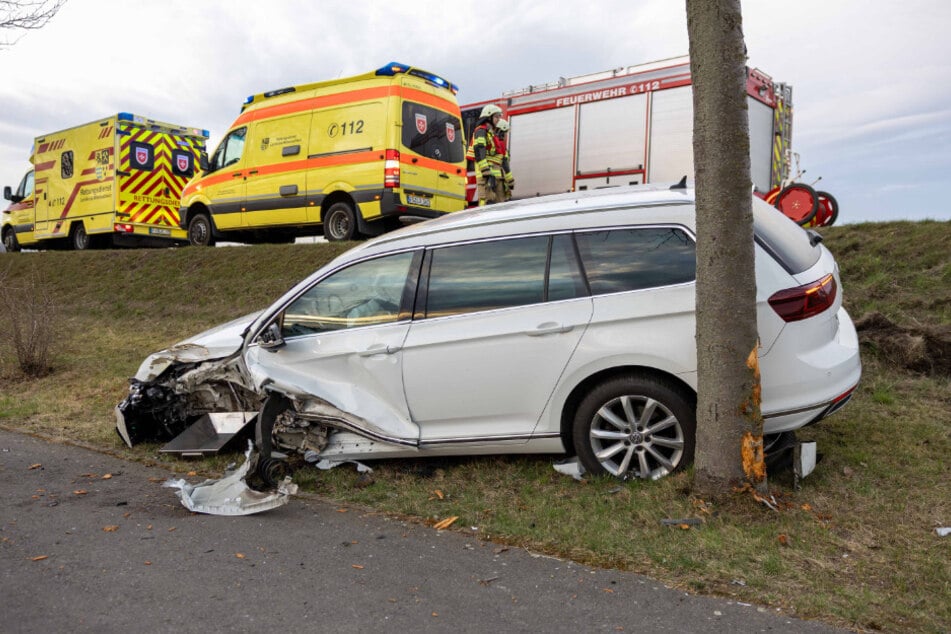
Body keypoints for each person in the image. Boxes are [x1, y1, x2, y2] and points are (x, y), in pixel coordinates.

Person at [467, 104, 504, 205]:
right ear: (488, 117)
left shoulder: (490, 133)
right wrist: (485, 169)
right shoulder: (481, 131)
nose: (498, 119)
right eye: (496, 117)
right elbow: (479, 149)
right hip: (485, 175)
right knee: (486, 201)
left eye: (499, 117)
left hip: (493, 175)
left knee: (499, 203)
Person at [493, 118, 514, 201]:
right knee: (500, 202)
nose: (505, 135)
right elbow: (505, 164)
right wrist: (510, 180)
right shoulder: (500, 144)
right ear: (501, 132)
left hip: (491, 179)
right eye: (505, 133)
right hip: (499, 179)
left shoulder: (491, 141)